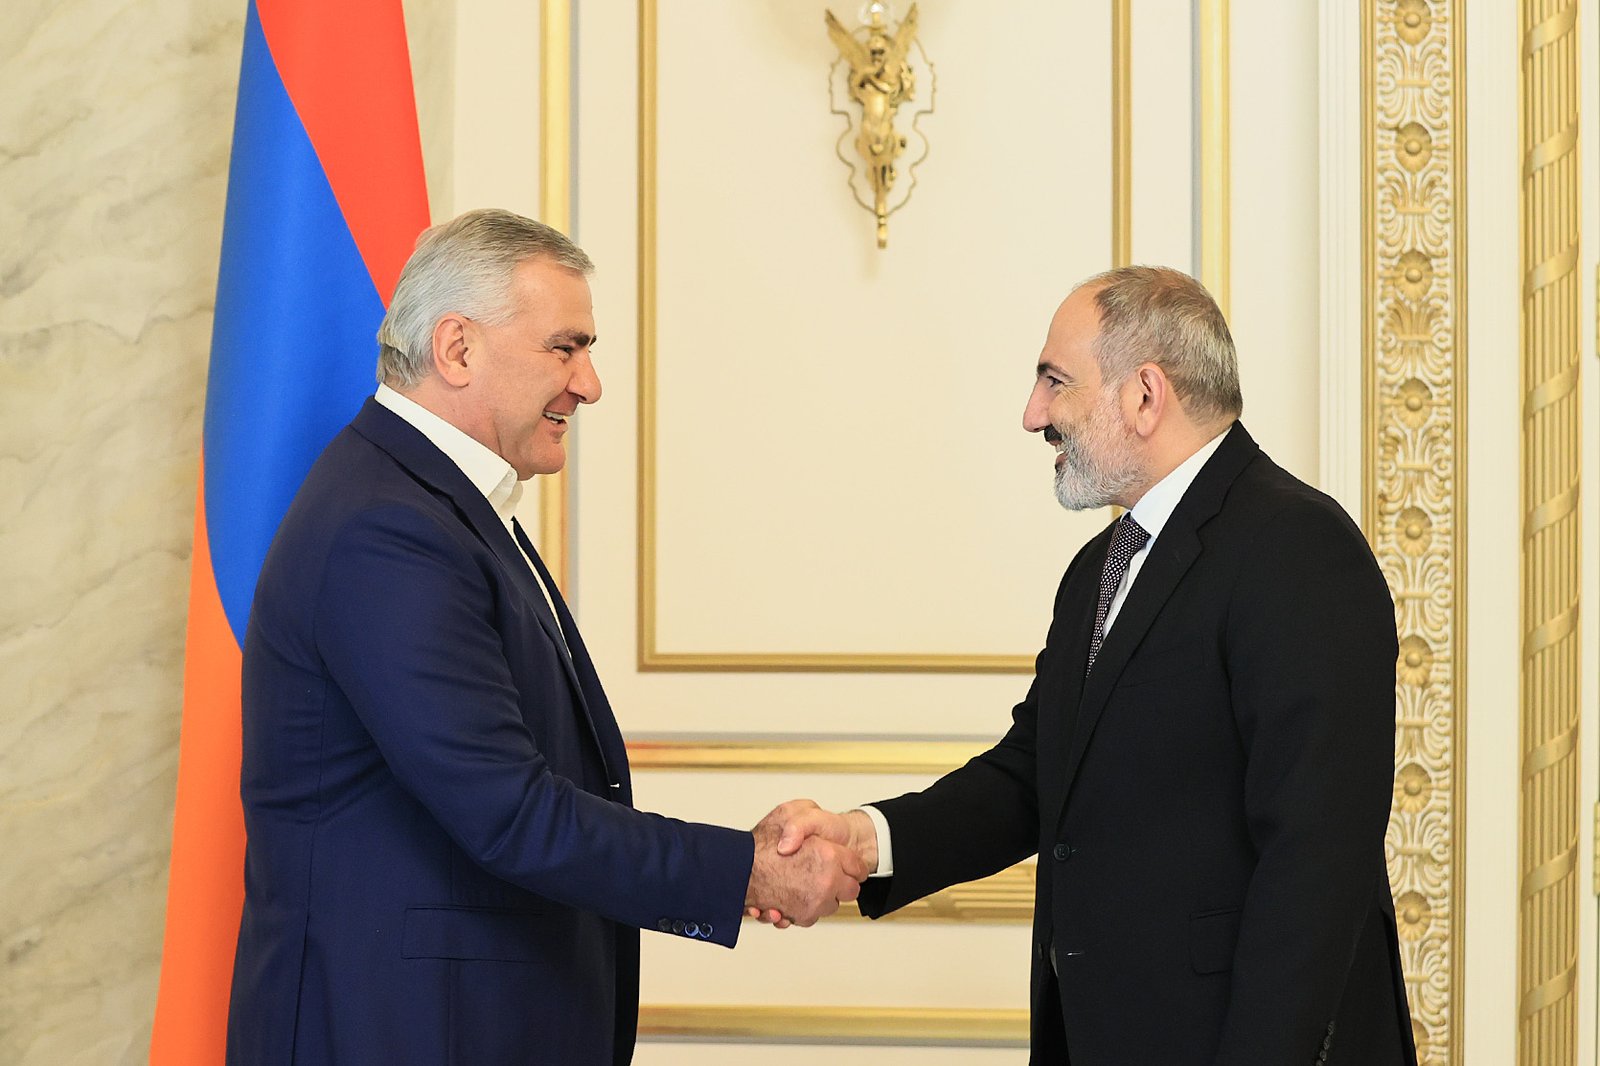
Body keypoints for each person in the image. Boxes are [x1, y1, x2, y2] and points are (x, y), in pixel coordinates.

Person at [226, 209, 864, 1066]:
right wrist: (742, 869)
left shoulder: (436, 504)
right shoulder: (387, 526)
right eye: (565, 348)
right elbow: (511, 813)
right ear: (457, 349)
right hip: (396, 1029)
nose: (590, 384)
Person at [760, 267, 1417, 1065]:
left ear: (1145, 394)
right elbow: (1036, 775)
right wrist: (868, 842)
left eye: (1054, 381)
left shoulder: (1298, 548)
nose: (1033, 413)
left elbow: (1315, 862)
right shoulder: (1099, 570)